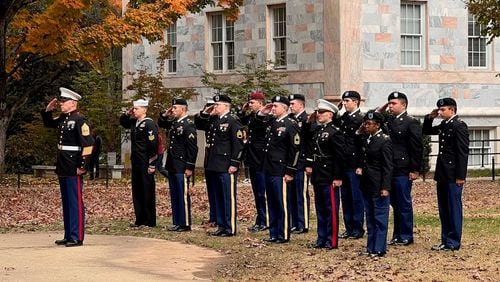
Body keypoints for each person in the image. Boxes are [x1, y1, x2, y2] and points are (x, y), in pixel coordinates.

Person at [41, 87, 94, 247]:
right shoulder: (64, 119)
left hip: (73, 165)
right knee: (66, 201)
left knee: (75, 201)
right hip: (63, 163)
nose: (61, 104)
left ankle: (77, 236)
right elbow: (49, 124)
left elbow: (88, 145)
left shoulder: (80, 120)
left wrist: (83, 166)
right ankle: (68, 234)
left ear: (73, 103)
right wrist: (47, 111)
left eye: (64, 102)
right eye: (61, 101)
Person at [423, 97, 469, 251]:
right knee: (444, 208)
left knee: (453, 207)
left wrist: (461, 176)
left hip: (453, 174)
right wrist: (430, 118)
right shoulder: (445, 124)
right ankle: (445, 239)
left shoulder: (459, 126)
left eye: (443, 110)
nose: (441, 112)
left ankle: (453, 241)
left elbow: (462, 153)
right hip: (443, 173)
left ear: (452, 110)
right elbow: (427, 131)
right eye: (440, 110)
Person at [196, 94, 244, 237]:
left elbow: (238, 144)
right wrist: (205, 112)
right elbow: (199, 124)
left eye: (217, 105)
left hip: (226, 165)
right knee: (218, 197)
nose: (215, 107)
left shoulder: (233, 121)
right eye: (214, 105)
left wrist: (235, 163)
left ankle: (230, 227)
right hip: (214, 164)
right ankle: (221, 225)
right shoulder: (213, 120)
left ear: (226, 106)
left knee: (227, 197)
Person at [379, 91, 423, 246]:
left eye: (393, 103)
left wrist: (415, 169)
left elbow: (416, 147)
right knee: (394, 203)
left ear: (403, 105)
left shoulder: (411, 122)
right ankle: (397, 234)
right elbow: (376, 115)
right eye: (389, 103)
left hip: (403, 168)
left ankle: (405, 235)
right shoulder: (389, 120)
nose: (390, 106)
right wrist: (384, 107)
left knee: (403, 203)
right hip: (391, 167)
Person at [305, 99, 345, 249]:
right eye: (317, 111)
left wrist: (337, 177)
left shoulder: (335, 132)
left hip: (329, 175)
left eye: (321, 112)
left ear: (330, 114)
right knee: (321, 209)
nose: (318, 114)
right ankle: (321, 238)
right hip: (319, 174)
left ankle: (331, 240)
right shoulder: (318, 131)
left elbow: (339, 157)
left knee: (330, 209)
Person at [260, 96, 300, 243]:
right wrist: (263, 113)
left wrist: (290, 171)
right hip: (269, 168)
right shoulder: (271, 122)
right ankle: (273, 232)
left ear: (285, 107)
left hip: (281, 169)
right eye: (273, 106)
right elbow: (258, 127)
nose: (273, 108)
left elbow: (294, 149)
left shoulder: (290, 124)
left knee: (281, 202)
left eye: (276, 106)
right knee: (271, 202)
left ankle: (283, 233)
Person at [158, 98, 198, 232]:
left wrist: (189, 166)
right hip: (173, 164)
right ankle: (177, 221)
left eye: (175, 108)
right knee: (175, 195)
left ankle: (185, 223)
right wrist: (165, 114)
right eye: (172, 108)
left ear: (183, 109)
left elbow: (192, 148)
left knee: (182, 195)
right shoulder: (175, 123)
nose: (173, 110)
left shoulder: (188, 124)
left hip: (182, 165)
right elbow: (162, 123)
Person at [357, 110, 393, 257]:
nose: (366, 126)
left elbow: (388, 166)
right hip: (367, 183)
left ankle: (379, 248)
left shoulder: (384, 140)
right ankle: (370, 246)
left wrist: (385, 187)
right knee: (370, 217)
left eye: (369, 124)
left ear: (378, 125)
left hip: (378, 184)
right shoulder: (367, 138)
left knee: (380, 217)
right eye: (365, 123)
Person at [119, 98, 159, 228]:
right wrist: (127, 113)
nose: (134, 111)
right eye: (134, 108)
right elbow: (122, 122)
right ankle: (140, 219)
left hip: (145, 162)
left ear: (144, 109)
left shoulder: (149, 124)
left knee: (147, 190)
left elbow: (153, 145)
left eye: (136, 109)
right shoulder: (134, 122)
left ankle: (149, 220)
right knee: (137, 191)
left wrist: (152, 164)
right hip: (136, 161)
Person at [335, 90, 365, 240]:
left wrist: (361, 165)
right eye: (344, 101)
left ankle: (358, 228)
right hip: (343, 163)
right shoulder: (343, 118)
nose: (345, 104)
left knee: (356, 197)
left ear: (356, 102)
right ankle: (349, 227)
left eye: (347, 101)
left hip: (355, 164)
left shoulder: (362, 119)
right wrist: (337, 110)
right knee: (345, 197)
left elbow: (363, 146)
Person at [238, 91, 269, 232]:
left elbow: (259, 124)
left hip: (262, 159)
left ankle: (266, 220)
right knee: (257, 192)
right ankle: (260, 219)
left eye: (252, 102)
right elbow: (240, 121)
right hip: (252, 158)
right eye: (249, 102)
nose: (249, 104)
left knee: (263, 192)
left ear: (261, 104)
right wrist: (242, 110)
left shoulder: (265, 116)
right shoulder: (251, 116)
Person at [288, 93, 310, 234]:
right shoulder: (290, 120)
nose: (291, 107)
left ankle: (303, 224)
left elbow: (308, 144)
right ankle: (294, 222)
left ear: (301, 105)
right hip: (291, 163)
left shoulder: (307, 120)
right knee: (291, 194)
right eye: (289, 104)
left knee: (301, 194)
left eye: (293, 104)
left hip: (301, 163)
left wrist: (308, 163)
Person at [194, 97, 218, 225]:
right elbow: (198, 123)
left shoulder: (221, 120)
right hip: (209, 158)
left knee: (218, 190)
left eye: (213, 107)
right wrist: (205, 112)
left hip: (218, 159)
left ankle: (219, 216)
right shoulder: (208, 120)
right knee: (211, 189)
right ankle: (213, 215)